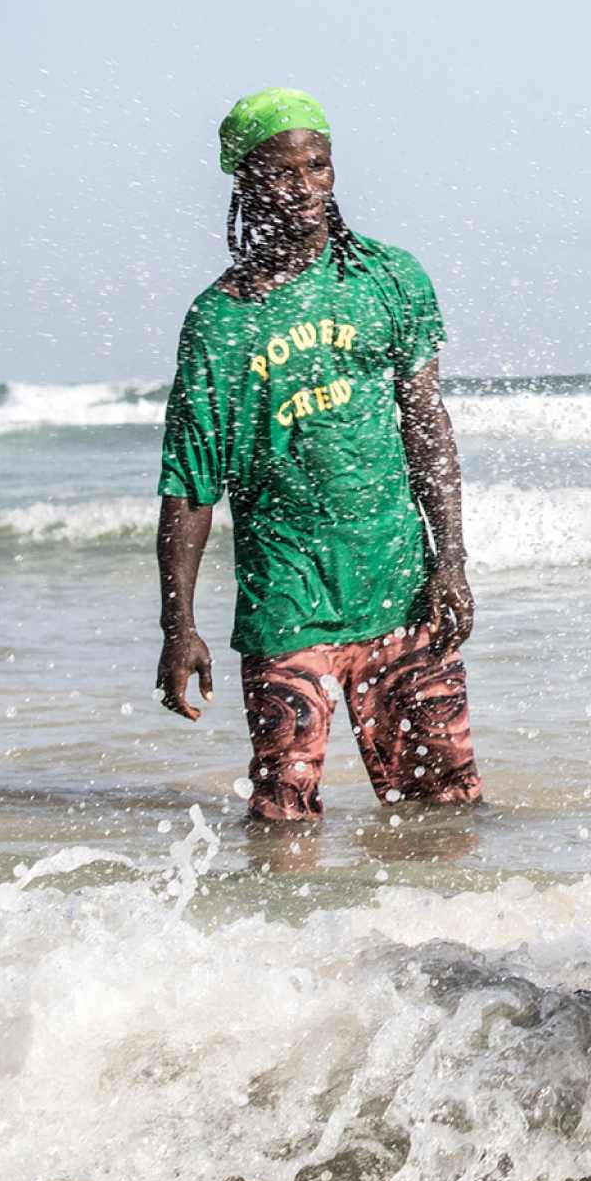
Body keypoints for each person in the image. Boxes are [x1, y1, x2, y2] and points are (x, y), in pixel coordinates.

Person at [155, 88, 483, 819]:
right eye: (280, 172)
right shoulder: (221, 320)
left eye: (318, 166)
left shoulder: (389, 278)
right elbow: (190, 485)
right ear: (246, 183)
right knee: (285, 809)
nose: (302, 187)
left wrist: (451, 563)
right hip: (287, 605)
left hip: (400, 590)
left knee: (446, 806)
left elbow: (428, 429)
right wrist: (178, 627)